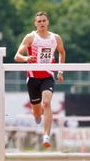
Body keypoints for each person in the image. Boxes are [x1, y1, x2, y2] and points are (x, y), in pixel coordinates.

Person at [14, 11, 65, 148]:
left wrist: (60, 70)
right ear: (35, 23)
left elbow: (61, 52)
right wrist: (26, 58)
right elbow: (17, 56)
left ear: (48, 22)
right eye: (39, 21)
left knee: (47, 103)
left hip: (48, 76)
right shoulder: (31, 37)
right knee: (37, 111)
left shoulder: (55, 38)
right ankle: (37, 116)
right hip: (33, 78)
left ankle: (46, 136)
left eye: (44, 21)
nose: (42, 23)